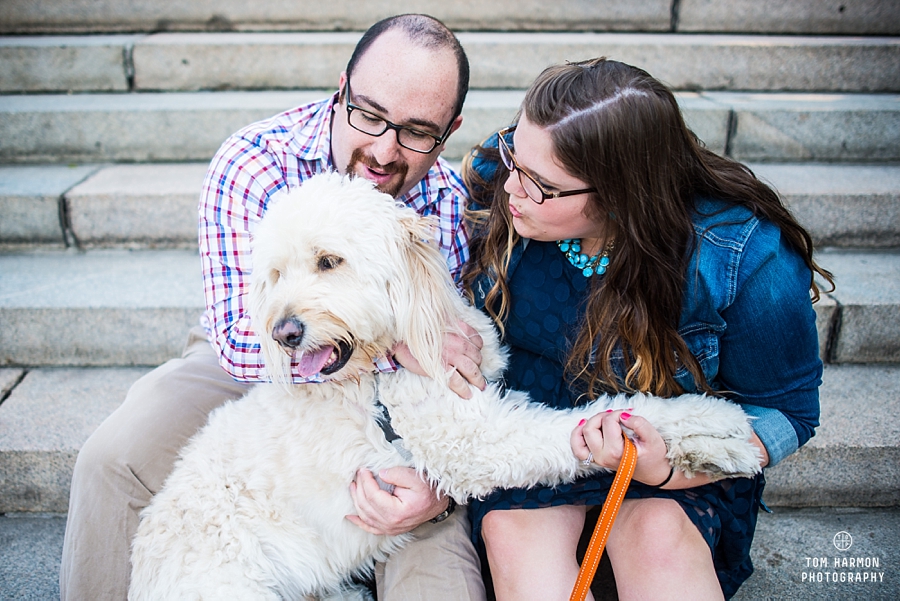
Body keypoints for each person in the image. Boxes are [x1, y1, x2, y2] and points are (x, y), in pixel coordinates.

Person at [60, 14, 487, 600]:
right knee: (113, 461)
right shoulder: (255, 161)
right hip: (257, 356)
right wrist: (402, 345)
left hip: (390, 412)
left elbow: (454, 374)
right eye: (369, 115)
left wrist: (443, 486)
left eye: (417, 131)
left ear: (450, 129)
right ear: (341, 90)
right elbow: (241, 342)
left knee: (435, 566)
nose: (385, 149)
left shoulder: (446, 201)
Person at [459, 57, 833, 600]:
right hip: (531, 437)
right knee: (518, 537)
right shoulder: (505, 173)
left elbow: (787, 412)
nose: (511, 188)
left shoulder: (741, 256)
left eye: (542, 185)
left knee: (657, 538)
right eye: (517, 153)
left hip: (663, 455)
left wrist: (667, 468)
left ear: (618, 195)